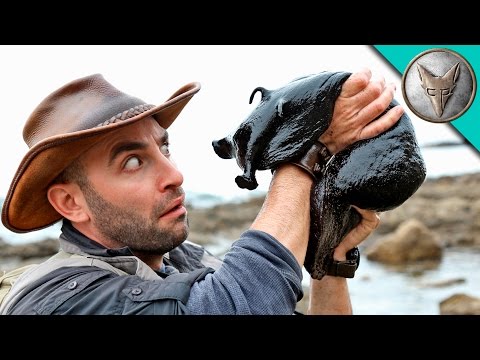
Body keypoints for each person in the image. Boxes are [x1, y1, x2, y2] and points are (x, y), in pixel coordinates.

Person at [0, 69, 402, 315]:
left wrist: (330, 262)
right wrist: (306, 151)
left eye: (164, 147)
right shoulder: (57, 302)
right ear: (70, 203)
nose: (174, 174)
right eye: (132, 162)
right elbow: (240, 305)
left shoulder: (187, 262)